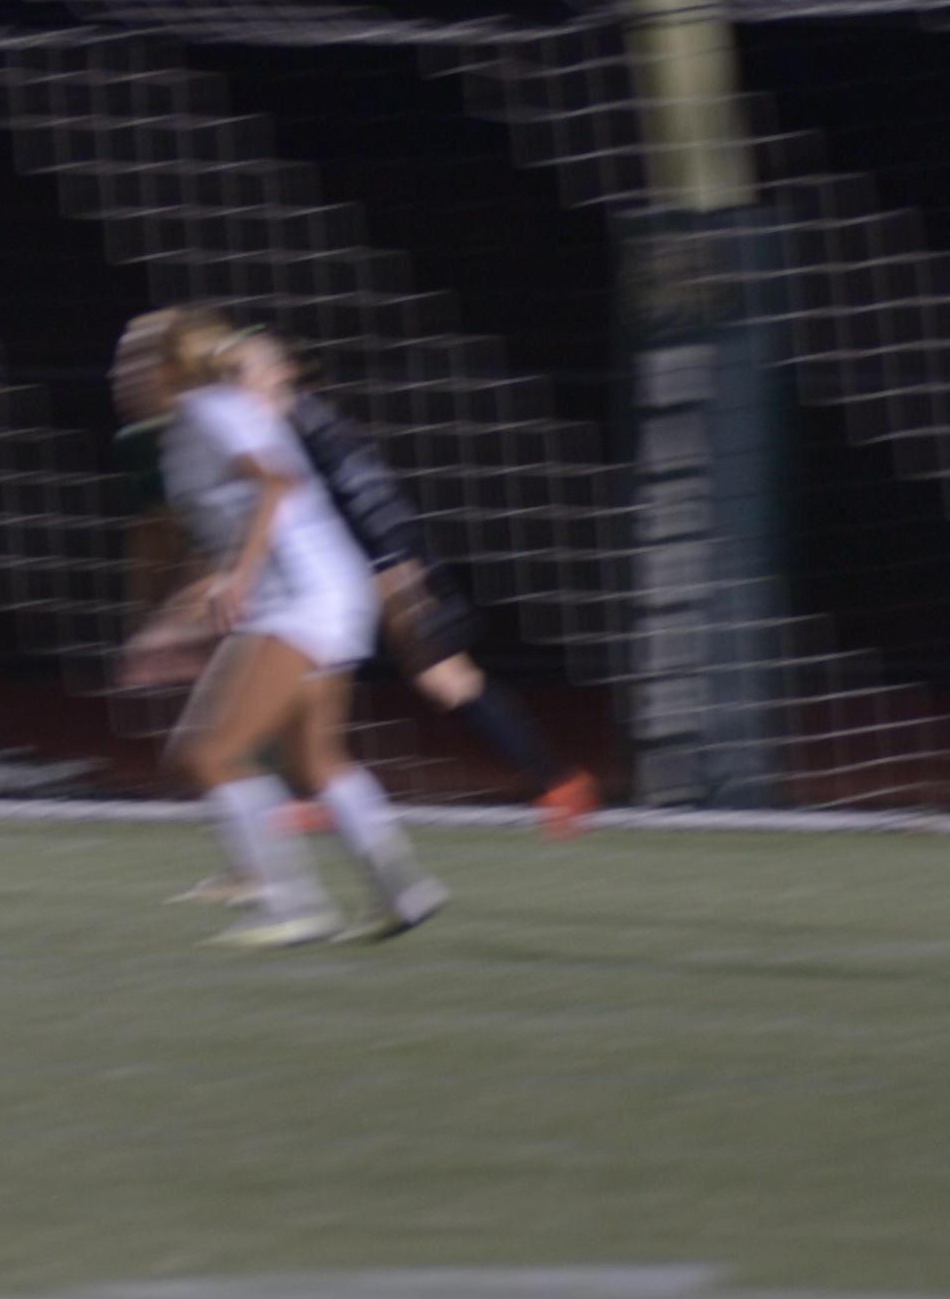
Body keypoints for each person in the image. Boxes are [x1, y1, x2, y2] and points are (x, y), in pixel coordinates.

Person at [117, 306, 445, 947]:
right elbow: (232, 529)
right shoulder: (187, 429)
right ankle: (402, 889)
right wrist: (179, 618)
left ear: (170, 368)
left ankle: (291, 904)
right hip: (316, 592)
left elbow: (279, 484)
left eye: (134, 361)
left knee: (208, 753)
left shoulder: (212, 409)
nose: (122, 375)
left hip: (303, 596)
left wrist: (239, 580)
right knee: (313, 759)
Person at [227, 329, 601, 835]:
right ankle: (311, 790)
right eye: (231, 377)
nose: (237, 386)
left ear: (280, 372)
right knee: (306, 663)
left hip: (384, 560)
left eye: (244, 373)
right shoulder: (281, 427)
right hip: (349, 565)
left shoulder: (309, 425)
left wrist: (399, 565)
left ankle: (560, 783)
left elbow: (370, 496)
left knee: (442, 677)